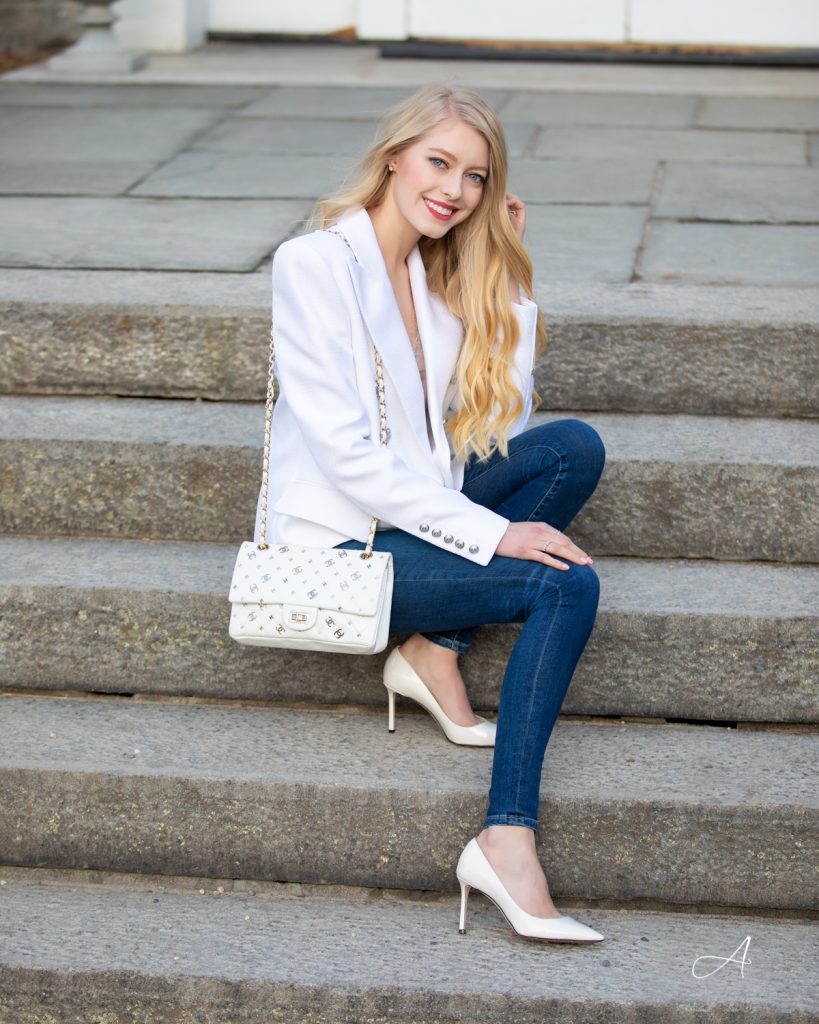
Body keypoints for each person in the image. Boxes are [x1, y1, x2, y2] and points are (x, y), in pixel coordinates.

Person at [254, 83, 606, 944]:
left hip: (414, 520)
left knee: (572, 448)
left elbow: (492, 431)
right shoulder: (313, 264)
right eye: (438, 163)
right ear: (394, 158)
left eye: (475, 177)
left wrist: (510, 280)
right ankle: (505, 839)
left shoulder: (430, 272)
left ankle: (431, 648)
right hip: (348, 548)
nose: (453, 189)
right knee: (565, 587)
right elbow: (346, 455)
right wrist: (493, 534)